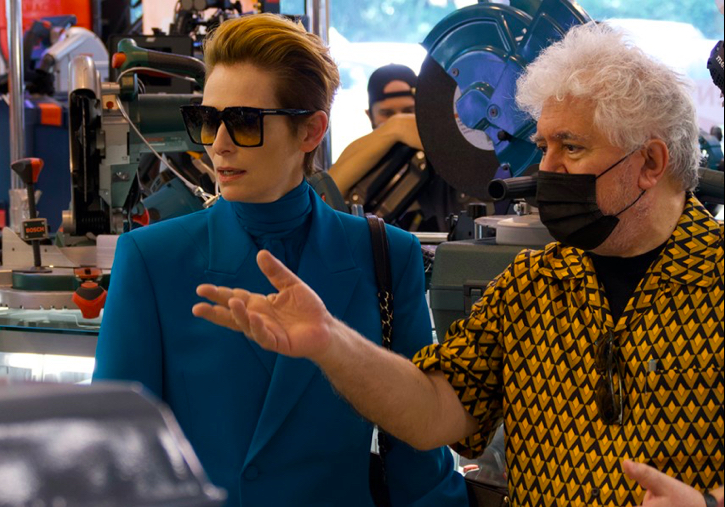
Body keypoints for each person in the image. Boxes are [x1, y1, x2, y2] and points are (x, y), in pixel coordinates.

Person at [193, 22, 724, 507]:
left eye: (571, 147)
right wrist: (332, 342)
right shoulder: (532, 285)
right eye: (543, 146)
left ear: (650, 162)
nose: (546, 169)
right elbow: (431, 413)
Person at [92, 13, 467, 507]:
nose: (218, 144)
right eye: (208, 119)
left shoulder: (387, 255)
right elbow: (117, 452)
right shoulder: (152, 258)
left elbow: (418, 458)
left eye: (244, 121)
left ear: (311, 131)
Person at [328, 64, 463, 231]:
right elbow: (325, 195)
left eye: (409, 111)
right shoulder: (359, 155)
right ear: (370, 115)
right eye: (387, 114)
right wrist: (394, 128)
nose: (401, 119)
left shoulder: (444, 160)